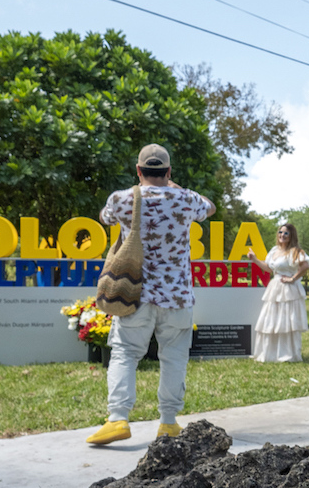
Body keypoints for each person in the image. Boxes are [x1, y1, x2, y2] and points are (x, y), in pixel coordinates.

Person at [87, 144, 216, 445]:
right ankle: (168, 423)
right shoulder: (186, 199)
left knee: (125, 353)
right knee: (174, 358)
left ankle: (118, 419)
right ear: (169, 171)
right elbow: (209, 208)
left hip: (134, 294)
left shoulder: (122, 198)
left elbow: (105, 217)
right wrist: (175, 187)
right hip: (177, 297)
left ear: (138, 170)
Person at [247, 223, 309, 362]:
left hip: (288, 290)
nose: (282, 235)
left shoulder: (295, 251)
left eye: (286, 233)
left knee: (286, 321)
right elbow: (269, 269)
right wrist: (254, 259)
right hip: (275, 287)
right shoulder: (274, 250)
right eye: (280, 232)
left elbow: (305, 265)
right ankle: (270, 353)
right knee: (271, 319)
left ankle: (287, 354)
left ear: (291, 235)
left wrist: (293, 278)